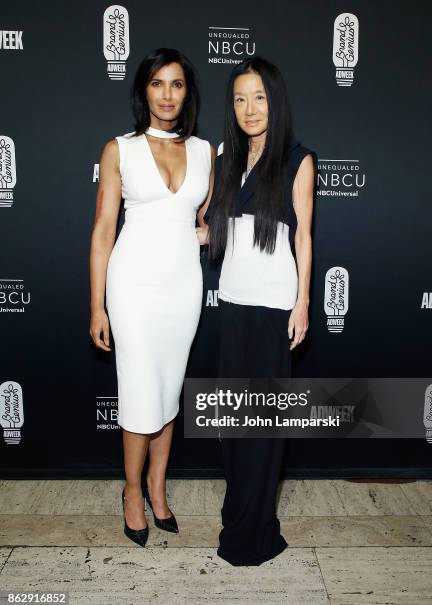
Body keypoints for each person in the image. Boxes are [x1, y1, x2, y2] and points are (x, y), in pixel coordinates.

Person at [89, 48, 215, 547]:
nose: (167, 94)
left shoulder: (206, 152)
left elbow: (203, 222)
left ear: (188, 92)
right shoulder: (119, 148)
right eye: (158, 83)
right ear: (144, 90)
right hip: (133, 286)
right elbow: (103, 230)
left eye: (177, 84)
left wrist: (205, 234)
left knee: (167, 392)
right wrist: (97, 304)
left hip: (182, 287)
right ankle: (131, 492)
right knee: (141, 392)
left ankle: (159, 490)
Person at [198, 56, 316, 566]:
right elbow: (214, 231)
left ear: (276, 99)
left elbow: (305, 239)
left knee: (263, 425)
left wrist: (304, 301)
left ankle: (256, 526)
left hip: (273, 309)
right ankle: (238, 506)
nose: (249, 108)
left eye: (260, 97)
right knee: (231, 420)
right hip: (233, 302)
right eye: (240, 98)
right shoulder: (224, 155)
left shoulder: (297, 159)